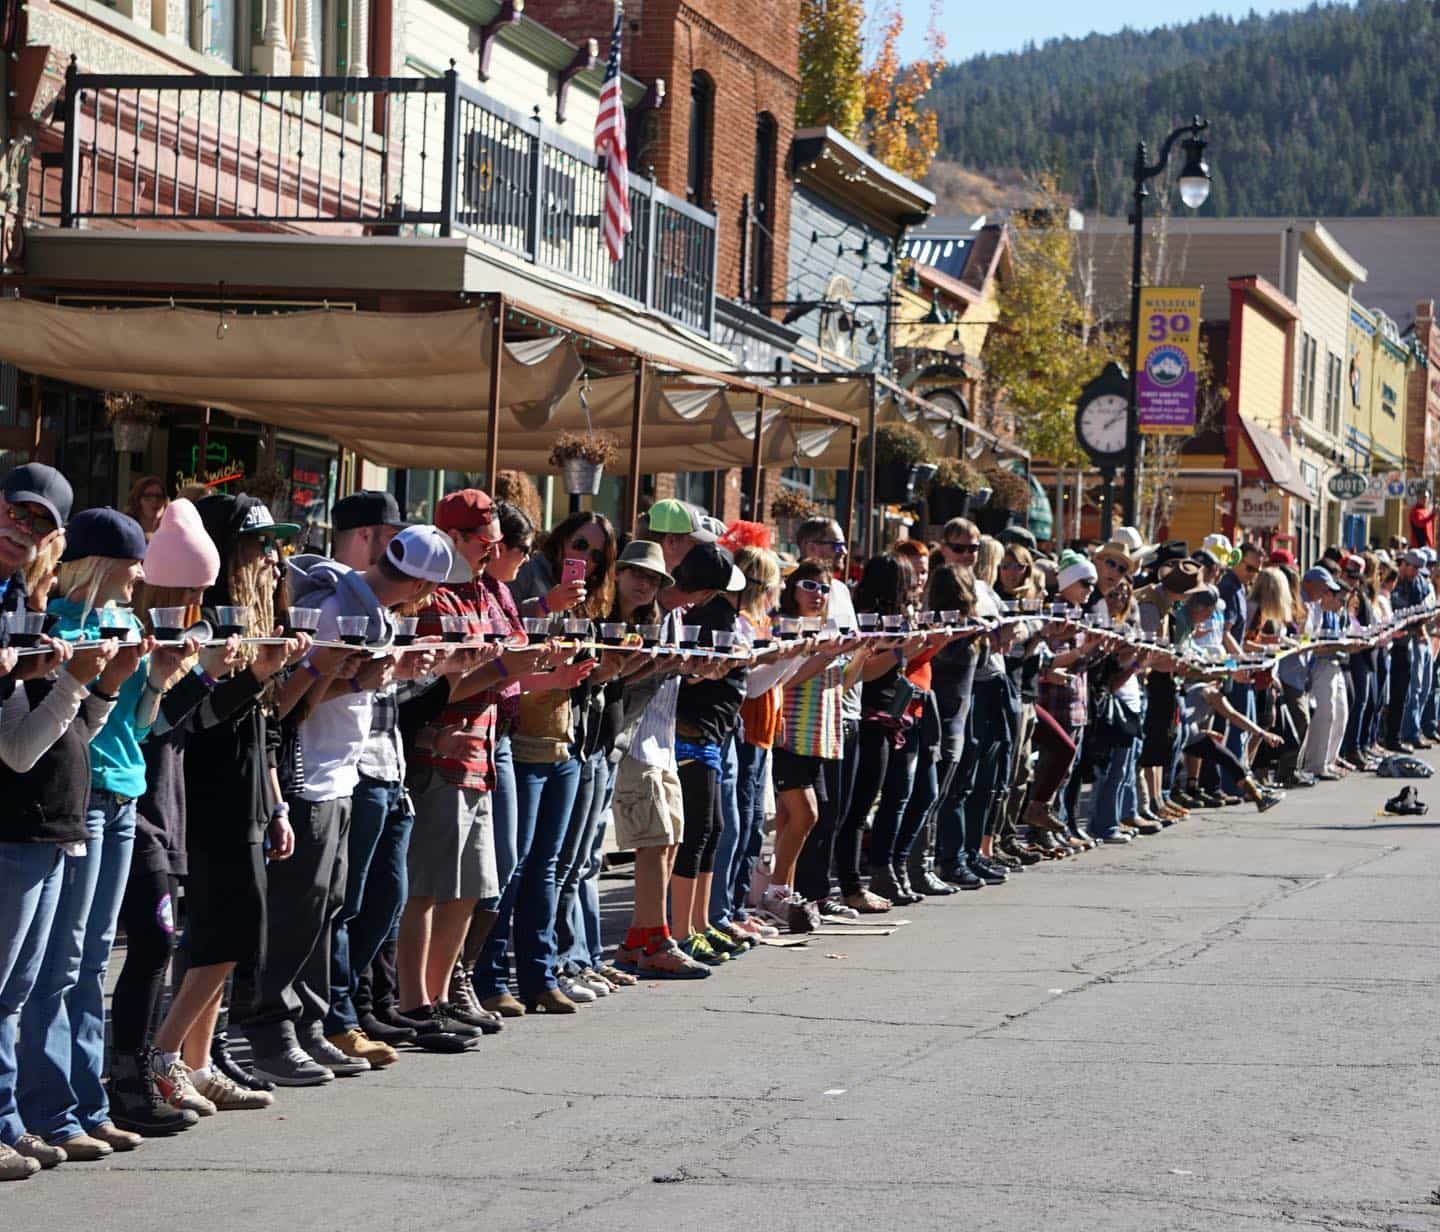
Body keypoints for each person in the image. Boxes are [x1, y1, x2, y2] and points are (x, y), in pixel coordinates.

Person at [18, 509, 186, 1164]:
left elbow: (140, 727)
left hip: (126, 790)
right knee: (62, 962)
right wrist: (99, 679)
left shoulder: (127, 623)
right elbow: (62, 738)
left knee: (91, 959)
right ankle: (51, 1109)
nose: (143, 574)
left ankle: (86, 1106)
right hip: (82, 797)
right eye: (133, 561)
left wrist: (160, 683)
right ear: (104, 564)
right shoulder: (61, 625)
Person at [321, 492, 453, 1063]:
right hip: (351, 770)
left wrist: (420, 671)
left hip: (385, 767)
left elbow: (379, 694)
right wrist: (401, 670)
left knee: (384, 897)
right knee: (349, 904)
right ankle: (338, 1014)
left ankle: (354, 1007)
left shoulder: (376, 611)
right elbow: (322, 691)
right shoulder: (344, 603)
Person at [124, 476, 169, 541]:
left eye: (159, 496)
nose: (155, 500)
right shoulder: (126, 531)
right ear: (137, 501)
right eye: (148, 496)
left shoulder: (170, 532)